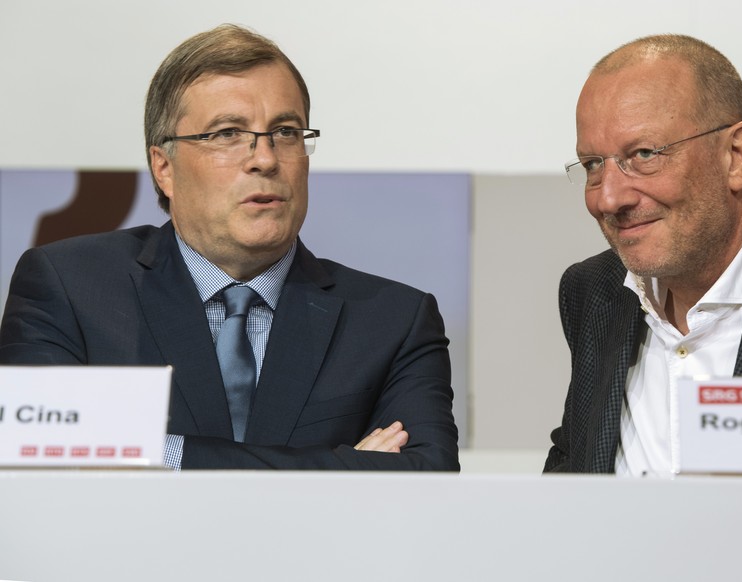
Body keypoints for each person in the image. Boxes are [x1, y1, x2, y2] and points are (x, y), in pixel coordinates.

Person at [0, 24, 459, 471]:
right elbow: (43, 463)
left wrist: (158, 454)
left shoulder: (394, 321)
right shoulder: (71, 288)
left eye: (285, 131)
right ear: (164, 167)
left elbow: (427, 474)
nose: (265, 158)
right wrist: (346, 467)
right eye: (227, 134)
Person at [545, 34, 742, 475]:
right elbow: (573, 472)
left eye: (643, 154)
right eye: (593, 165)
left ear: (736, 155)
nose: (608, 199)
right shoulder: (593, 293)